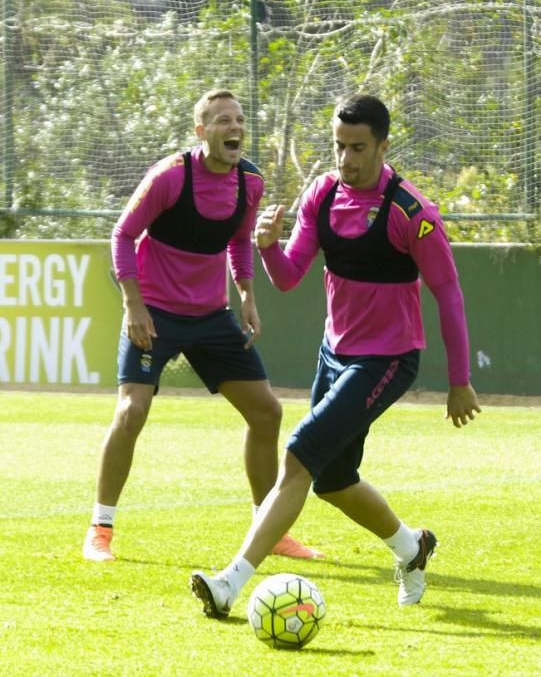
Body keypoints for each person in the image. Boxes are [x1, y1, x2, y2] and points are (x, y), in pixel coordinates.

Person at [190, 93, 481, 614]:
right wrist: (268, 247)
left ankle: (230, 583)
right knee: (333, 480)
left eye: (358, 148)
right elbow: (287, 278)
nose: (345, 159)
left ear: (383, 146)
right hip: (335, 352)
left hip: (387, 358)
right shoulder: (322, 194)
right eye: (339, 146)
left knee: (299, 452)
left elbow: (449, 292)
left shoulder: (412, 213)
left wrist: (460, 380)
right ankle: (412, 548)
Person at [83, 89, 323, 562]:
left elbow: (238, 240)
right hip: (156, 313)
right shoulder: (170, 177)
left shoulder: (249, 183)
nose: (234, 128)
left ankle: (268, 526)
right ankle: (100, 529)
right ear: (201, 131)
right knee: (132, 412)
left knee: (267, 413)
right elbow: (123, 235)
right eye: (221, 121)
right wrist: (134, 305)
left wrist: (248, 295)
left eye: (238, 119)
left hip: (211, 317)